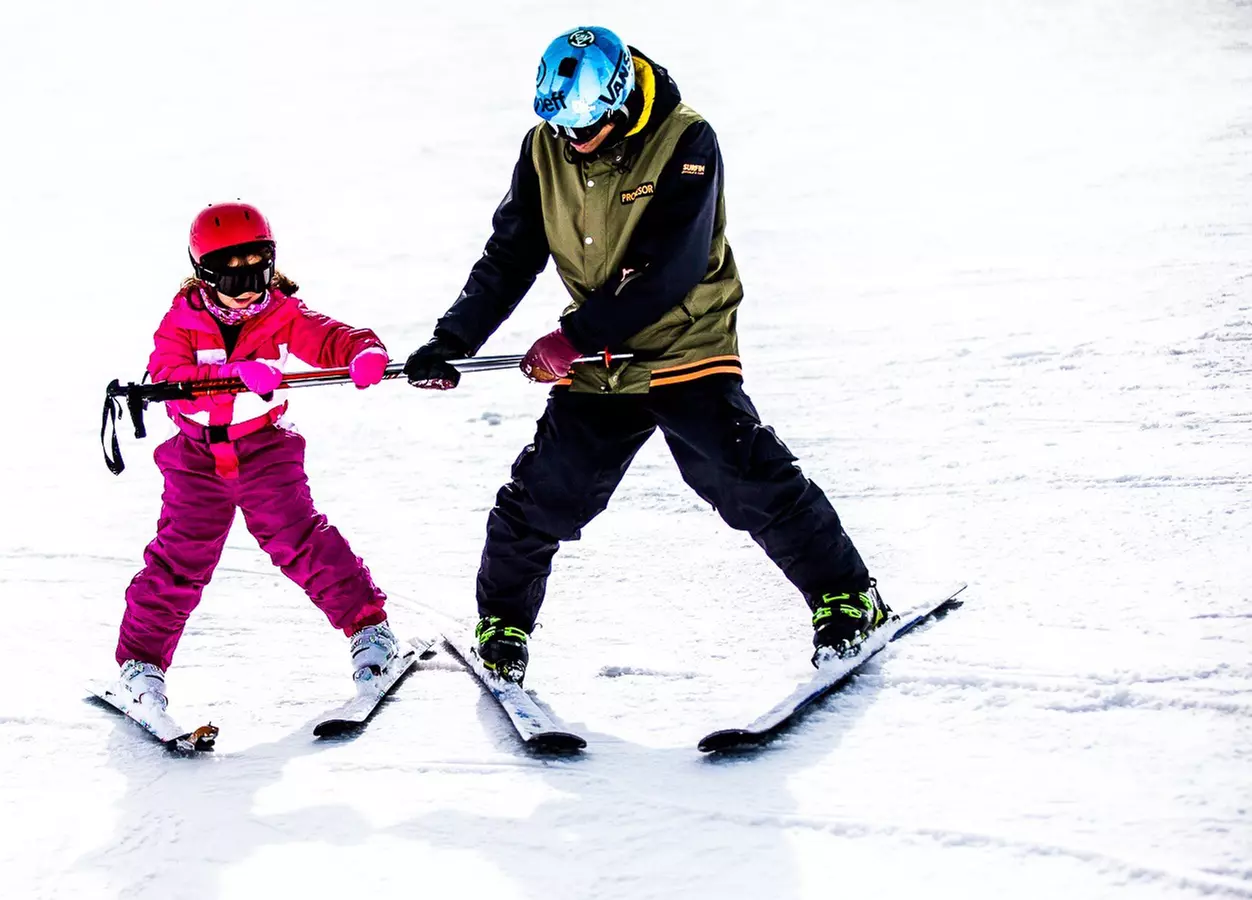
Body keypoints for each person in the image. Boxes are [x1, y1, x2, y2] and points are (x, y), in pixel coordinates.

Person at [402, 27, 884, 683]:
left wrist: (573, 338)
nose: (573, 138)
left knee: (743, 474)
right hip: (600, 357)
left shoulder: (686, 140)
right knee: (545, 493)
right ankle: (503, 626)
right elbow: (512, 254)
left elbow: (668, 266)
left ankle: (848, 598)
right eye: (560, 123)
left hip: (686, 340)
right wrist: (452, 339)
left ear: (619, 99)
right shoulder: (545, 148)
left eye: (586, 122)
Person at [114, 201, 397, 710]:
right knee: (181, 557)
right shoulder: (180, 320)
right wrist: (232, 377)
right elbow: (168, 380)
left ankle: (369, 631)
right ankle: (141, 661)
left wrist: (363, 351)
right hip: (196, 458)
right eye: (227, 277)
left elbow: (329, 336)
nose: (245, 288)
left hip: (264, 447)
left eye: (257, 272)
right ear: (203, 275)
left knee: (298, 537)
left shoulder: (281, 313)